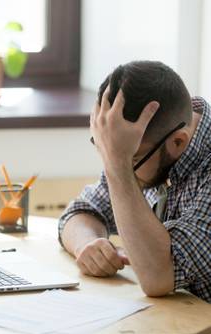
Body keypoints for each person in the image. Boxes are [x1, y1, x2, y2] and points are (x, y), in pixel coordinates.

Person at [58, 60, 211, 302]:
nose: (118, 166)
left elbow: (158, 276)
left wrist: (118, 163)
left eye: (133, 158)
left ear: (178, 142)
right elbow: (82, 211)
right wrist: (87, 245)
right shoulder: (144, 146)